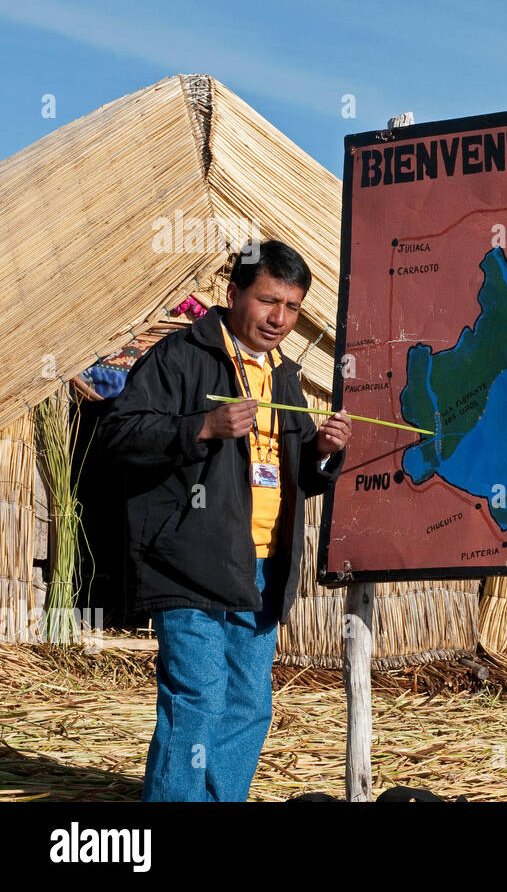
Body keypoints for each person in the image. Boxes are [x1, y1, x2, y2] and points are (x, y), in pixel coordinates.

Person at [98, 239, 351, 801]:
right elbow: (117, 436)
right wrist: (202, 427)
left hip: (261, 565)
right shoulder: (181, 356)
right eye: (267, 302)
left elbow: (295, 472)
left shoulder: (282, 375)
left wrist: (323, 452)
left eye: (292, 307)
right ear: (233, 294)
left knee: (248, 703)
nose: (279, 319)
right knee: (199, 697)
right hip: (189, 559)